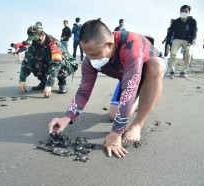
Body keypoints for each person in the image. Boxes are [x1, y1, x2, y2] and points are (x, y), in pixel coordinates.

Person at [48, 20, 167, 158]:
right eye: (87, 54)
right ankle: (141, 97)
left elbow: (129, 88)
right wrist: (67, 117)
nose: (91, 59)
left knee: (156, 66)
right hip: (127, 78)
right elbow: (83, 91)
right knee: (113, 115)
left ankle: (138, 124)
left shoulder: (131, 45)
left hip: (148, 72)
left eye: (95, 54)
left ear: (109, 45)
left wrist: (116, 133)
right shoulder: (90, 61)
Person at [19, 24, 78, 97]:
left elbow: (56, 63)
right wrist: (22, 80)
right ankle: (43, 82)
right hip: (49, 62)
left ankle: (62, 82)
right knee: (35, 63)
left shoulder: (53, 43)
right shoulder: (34, 45)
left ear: (42, 34)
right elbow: (27, 62)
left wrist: (49, 84)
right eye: (32, 39)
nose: (34, 41)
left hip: (67, 64)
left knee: (60, 62)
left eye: (35, 38)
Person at [166, 5, 197, 78]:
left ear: (189, 12)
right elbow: (170, 33)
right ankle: (172, 71)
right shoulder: (176, 22)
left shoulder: (192, 21)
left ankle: (183, 71)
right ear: (180, 12)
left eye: (186, 11)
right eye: (182, 11)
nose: (184, 13)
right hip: (177, 39)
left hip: (187, 40)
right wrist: (168, 44)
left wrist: (189, 44)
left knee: (188, 55)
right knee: (172, 53)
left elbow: (193, 33)